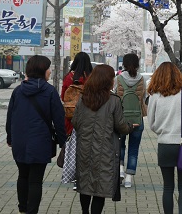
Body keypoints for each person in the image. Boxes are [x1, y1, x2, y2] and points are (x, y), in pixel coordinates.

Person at [6, 55, 67, 214]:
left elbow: (10, 116)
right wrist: (63, 142)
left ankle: (22, 208)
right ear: (43, 70)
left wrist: (10, 138)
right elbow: (59, 119)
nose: (50, 70)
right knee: (35, 181)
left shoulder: (18, 90)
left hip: (20, 141)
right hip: (40, 142)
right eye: (49, 67)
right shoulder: (49, 91)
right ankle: (31, 211)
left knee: (23, 175)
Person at [72, 64, 136, 214]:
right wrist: (130, 127)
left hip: (84, 149)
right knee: (100, 187)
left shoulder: (83, 98)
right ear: (108, 80)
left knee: (86, 184)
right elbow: (121, 126)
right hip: (105, 150)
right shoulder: (113, 100)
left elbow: (75, 122)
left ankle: (84, 212)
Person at [147, 62, 182, 214]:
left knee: (168, 186)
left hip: (165, 144)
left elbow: (151, 123)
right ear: (178, 74)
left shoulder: (154, 95)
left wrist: (162, 130)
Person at [115, 53, 147, 188]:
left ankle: (120, 170)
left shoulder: (118, 79)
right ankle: (129, 178)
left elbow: (115, 97)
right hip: (137, 119)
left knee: (120, 146)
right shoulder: (142, 80)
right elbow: (143, 98)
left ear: (124, 64)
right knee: (133, 149)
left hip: (121, 119)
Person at [61, 52, 93, 135]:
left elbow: (63, 97)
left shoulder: (68, 77)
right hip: (88, 117)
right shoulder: (92, 78)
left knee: (70, 144)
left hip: (71, 116)